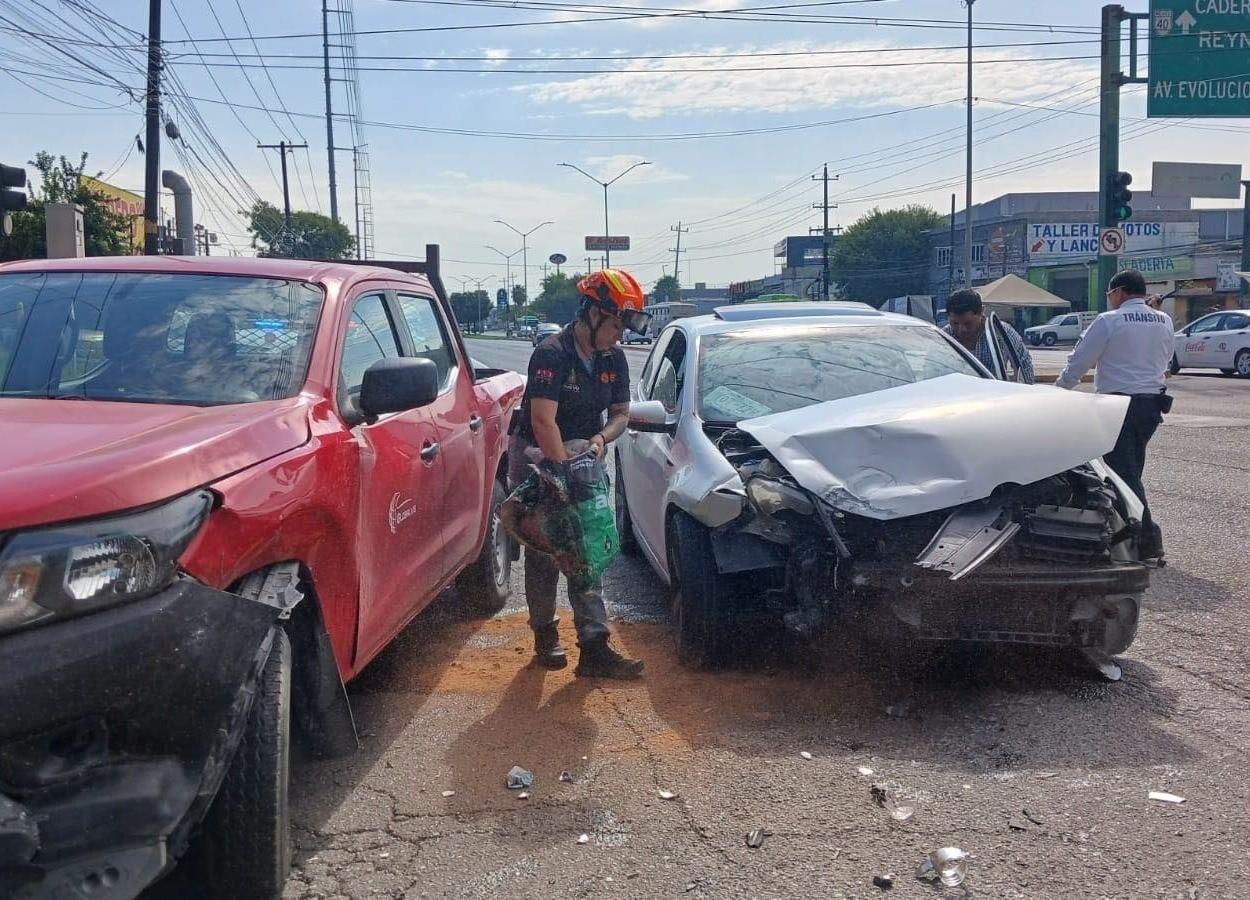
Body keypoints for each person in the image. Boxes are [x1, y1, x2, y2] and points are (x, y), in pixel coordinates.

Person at [508, 268, 653, 678]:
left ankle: (594, 646)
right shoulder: (552, 353)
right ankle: (544, 633)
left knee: (589, 544)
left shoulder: (614, 358)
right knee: (548, 546)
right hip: (539, 450)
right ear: (592, 313)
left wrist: (601, 440)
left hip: (585, 452)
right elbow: (542, 421)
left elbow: (621, 415)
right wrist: (560, 476)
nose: (620, 335)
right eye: (615, 325)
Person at [1055, 269, 1173, 560]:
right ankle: (1125, 533)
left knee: (1122, 474)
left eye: (1110, 295)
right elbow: (1165, 359)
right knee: (1130, 469)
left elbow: (1079, 362)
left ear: (1119, 292)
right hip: (1151, 407)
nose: (1110, 300)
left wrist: (1057, 392)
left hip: (1118, 407)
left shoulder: (1110, 320)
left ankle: (1147, 538)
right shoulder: (1164, 319)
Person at [943, 289, 1036, 384]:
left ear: (982, 311)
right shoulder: (943, 338)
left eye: (968, 323)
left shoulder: (1001, 332)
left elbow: (1024, 365)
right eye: (955, 323)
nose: (962, 329)